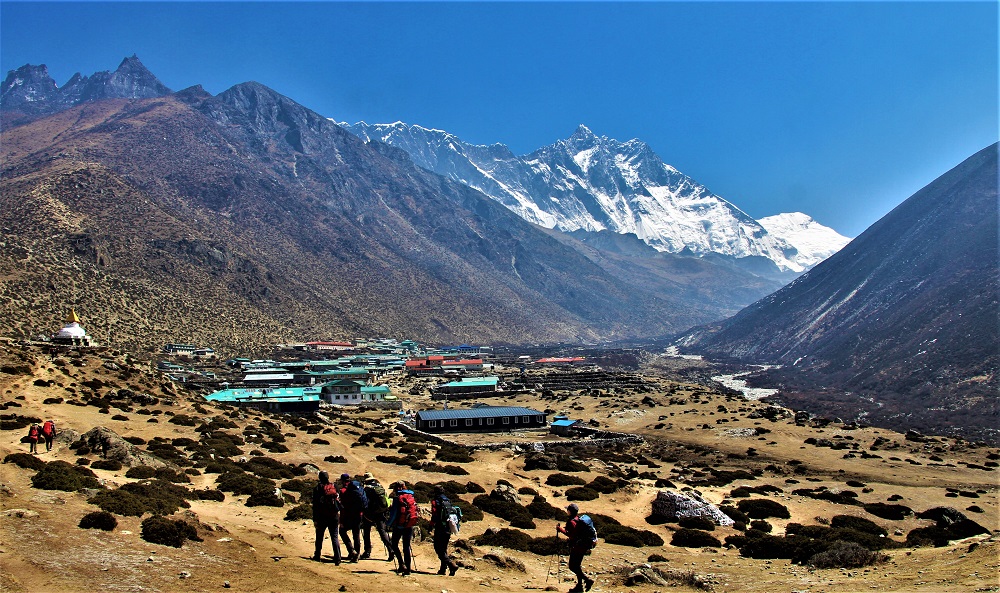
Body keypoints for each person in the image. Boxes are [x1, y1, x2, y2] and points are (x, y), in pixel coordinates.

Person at [556, 503, 595, 593]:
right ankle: (579, 586)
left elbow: (571, 535)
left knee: (572, 567)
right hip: (583, 546)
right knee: (577, 566)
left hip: (577, 547)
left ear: (570, 511)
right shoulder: (578, 519)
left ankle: (587, 580)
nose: (567, 511)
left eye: (568, 510)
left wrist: (560, 530)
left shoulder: (571, 521)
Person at [387, 480, 419, 575]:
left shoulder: (397, 498)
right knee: (406, 547)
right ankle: (408, 568)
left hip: (399, 526)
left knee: (394, 545)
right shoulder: (411, 496)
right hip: (409, 525)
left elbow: (393, 514)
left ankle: (401, 564)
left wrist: (388, 524)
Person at [311, 471, 343, 564]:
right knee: (334, 537)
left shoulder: (317, 488)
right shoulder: (335, 486)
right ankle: (338, 558)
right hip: (334, 516)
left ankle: (317, 555)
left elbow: (315, 505)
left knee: (319, 536)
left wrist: (315, 519)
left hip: (322, 516)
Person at [360, 472, 393, 561]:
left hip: (369, 514)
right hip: (381, 513)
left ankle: (367, 551)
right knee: (382, 532)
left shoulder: (367, 489)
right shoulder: (379, 486)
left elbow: (365, 501)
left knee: (366, 532)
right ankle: (390, 549)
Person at [430, 485, 459, 576]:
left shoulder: (436, 501)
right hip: (448, 526)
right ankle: (443, 569)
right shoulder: (447, 500)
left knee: (438, 548)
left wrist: (430, 526)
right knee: (444, 548)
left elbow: (434, 515)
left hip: (440, 527)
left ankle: (451, 565)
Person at [338, 473, 367, 562]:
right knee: (356, 535)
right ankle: (356, 555)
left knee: (342, 531)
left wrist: (341, 520)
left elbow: (343, 507)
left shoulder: (343, 491)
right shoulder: (357, 488)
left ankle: (351, 551)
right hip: (359, 515)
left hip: (348, 515)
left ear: (342, 481)